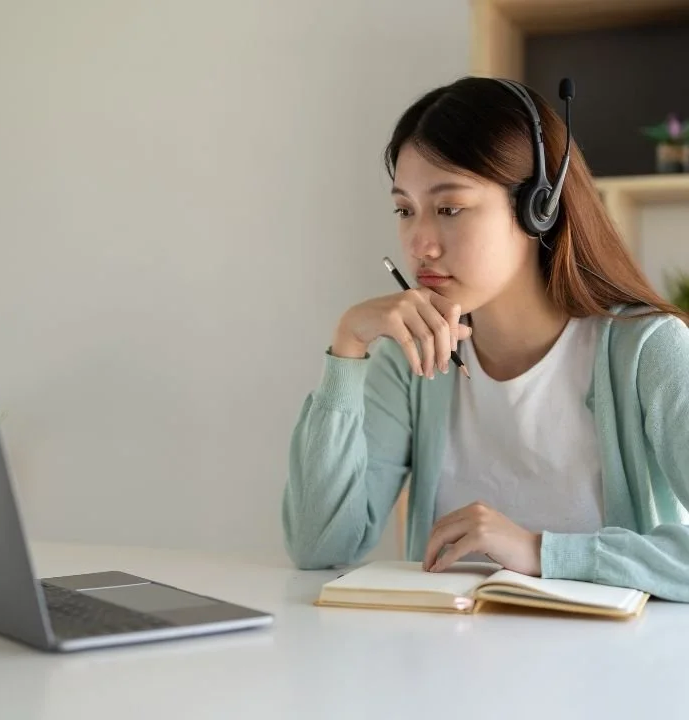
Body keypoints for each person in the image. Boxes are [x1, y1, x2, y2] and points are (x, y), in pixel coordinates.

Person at [281, 76, 689, 601]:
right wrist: (347, 347)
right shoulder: (411, 361)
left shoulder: (647, 350)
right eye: (405, 210)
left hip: (604, 669)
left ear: (538, 209)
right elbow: (319, 547)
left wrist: (540, 552)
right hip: (442, 665)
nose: (420, 244)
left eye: (449, 208)